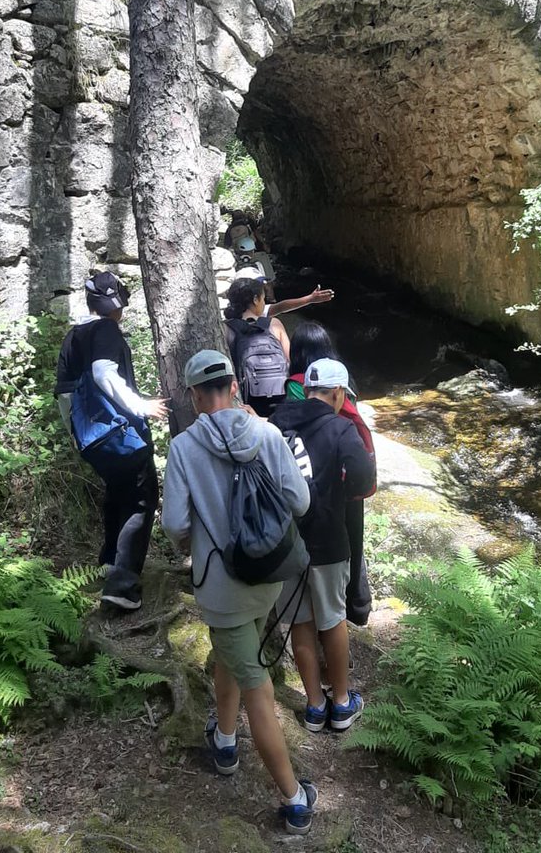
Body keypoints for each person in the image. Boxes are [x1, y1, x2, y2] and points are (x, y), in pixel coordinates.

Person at [161, 351, 319, 835]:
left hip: (221, 586)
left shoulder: (185, 448)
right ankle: (226, 743)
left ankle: (294, 802)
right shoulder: (268, 434)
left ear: (193, 396)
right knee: (231, 658)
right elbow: (301, 500)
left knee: (257, 686)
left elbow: (174, 524)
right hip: (267, 577)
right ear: (234, 385)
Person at [270, 358, 376, 734]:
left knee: (300, 622)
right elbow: (364, 482)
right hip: (329, 540)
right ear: (335, 393)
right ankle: (343, 703)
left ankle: (315, 706)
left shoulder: (276, 422)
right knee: (332, 620)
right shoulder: (341, 428)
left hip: (284, 543)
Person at [55, 271, 168, 611]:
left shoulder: (72, 337)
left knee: (117, 494)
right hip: (121, 433)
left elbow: (64, 394)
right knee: (142, 499)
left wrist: (76, 436)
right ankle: (122, 586)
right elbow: (104, 371)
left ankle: (108, 562)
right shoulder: (104, 329)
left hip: (92, 441)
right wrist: (141, 406)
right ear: (114, 303)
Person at [286, 323, 376, 627]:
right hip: (347, 485)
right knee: (353, 543)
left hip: (313, 485)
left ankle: (320, 618)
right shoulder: (342, 383)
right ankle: (358, 607)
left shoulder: (296, 388)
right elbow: (363, 473)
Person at [224, 277, 290, 417]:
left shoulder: (226, 329)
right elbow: (290, 360)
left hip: (247, 404)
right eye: (263, 299)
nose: (264, 303)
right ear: (255, 299)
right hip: (281, 400)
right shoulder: (274, 324)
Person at [229, 268, 335, 320]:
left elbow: (281, 306)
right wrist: (310, 299)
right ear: (255, 299)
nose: (264, 295)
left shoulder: (236, 317)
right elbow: (280, 307)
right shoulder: (258, 314)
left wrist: (310, 299)